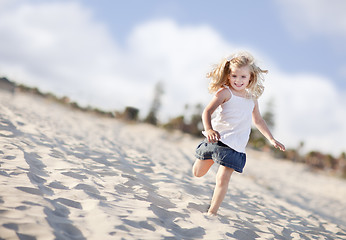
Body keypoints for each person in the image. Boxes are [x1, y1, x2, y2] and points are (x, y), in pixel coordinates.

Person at [193, 51, 285, 216]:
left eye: (243, 77)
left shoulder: (252, 97)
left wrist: (271, 138)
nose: (238, 80)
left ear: (251, 77)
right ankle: (209, 158)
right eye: (234, 76)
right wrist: (208, 129)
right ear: (228, 76)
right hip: (217, 140)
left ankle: (212, 213)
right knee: (197, 173)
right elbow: (207, 111)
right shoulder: (225, 92)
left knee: (223, 179)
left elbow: (258, 120)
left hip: (236, 146)